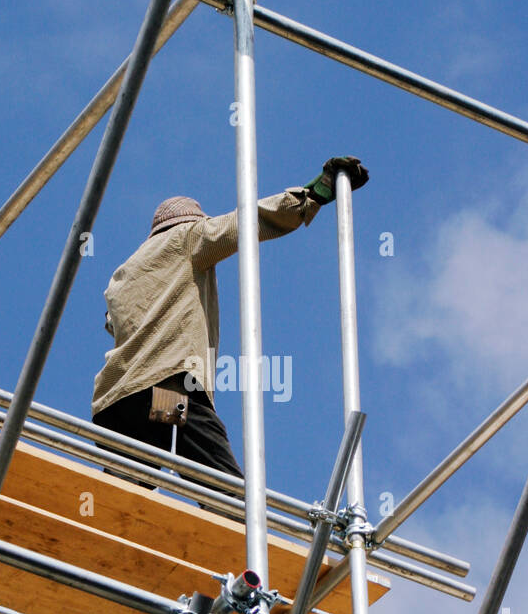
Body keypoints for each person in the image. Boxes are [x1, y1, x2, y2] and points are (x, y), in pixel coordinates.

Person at [91, 156, 369, 488]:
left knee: (126, 494)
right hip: (164, 392)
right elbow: (244, 223)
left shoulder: (122, 276)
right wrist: (314, 194)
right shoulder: (186, 238)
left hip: (117, 403)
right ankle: (242, 528)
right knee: (225, 488)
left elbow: (115, 321)